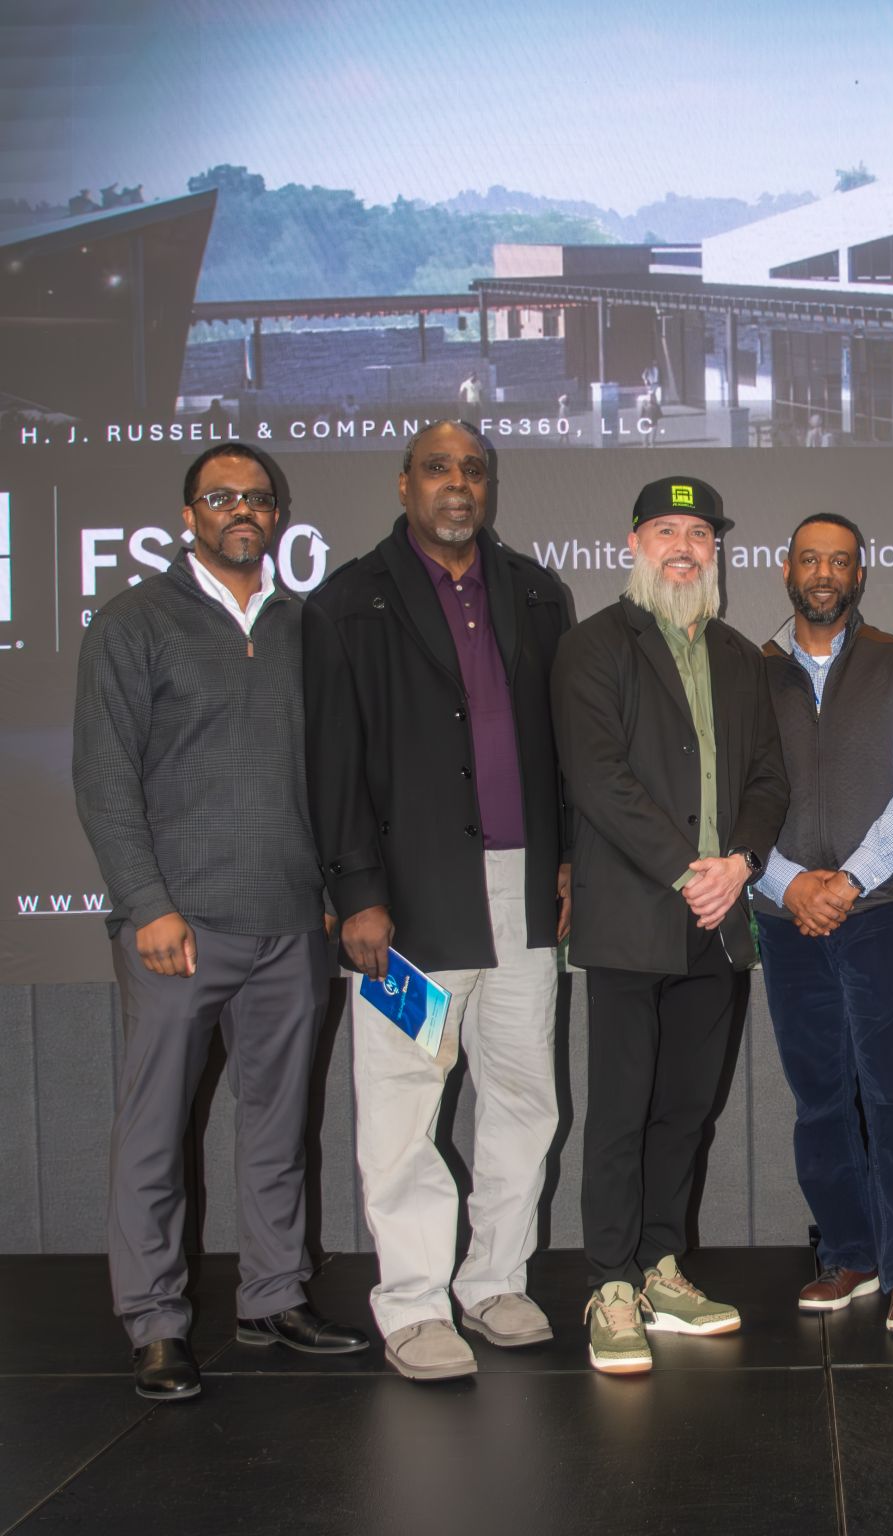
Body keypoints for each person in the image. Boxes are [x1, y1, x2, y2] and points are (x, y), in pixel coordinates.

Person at [73, 443, 369, 1401]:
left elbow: (330, 773)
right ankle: (155, 1323)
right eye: (221, 497)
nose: (242, 510)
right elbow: (105, 777)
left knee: (279, 1127)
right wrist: (146, 904)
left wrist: (329, 889)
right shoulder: (134, 621)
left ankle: (274, 1295)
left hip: (292, 924)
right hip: (178, 927)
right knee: (156, 1130)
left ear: (277, 515)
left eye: (257, 498)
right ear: (188, 513)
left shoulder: (301, 625)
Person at [302, 420, 573, 1381]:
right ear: (404, 482)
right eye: (437, 469)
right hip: (408, 906)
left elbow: (562, 749)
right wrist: (356, 894)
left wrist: (567, 857)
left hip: (522, 895)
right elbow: (331, 766)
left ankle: (494, 1281)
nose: (457, 485)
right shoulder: (349, 602)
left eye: (472, 470)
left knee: (524, 1097)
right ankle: (413, 1304)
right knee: (404, 1107)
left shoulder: (540, 594)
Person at [551, 475, 788, 1374]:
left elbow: (766, 778)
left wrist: (741, 863)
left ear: (717, 550)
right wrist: (691, 869)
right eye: (665, 530)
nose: (683, 546)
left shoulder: (736, 653)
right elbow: (598, 775)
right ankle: (609, 1286)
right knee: (620, 1109)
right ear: (632, 543)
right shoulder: (592, 647)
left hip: (719, 918)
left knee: (686, 1109)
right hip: (633, 917)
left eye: (699, 532)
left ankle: (658, 1268)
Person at [753, 512, 893, 1333]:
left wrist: (851, 881)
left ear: (860, 575)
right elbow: (728, 795)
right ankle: (847, 1256)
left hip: (879, 913)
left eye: (840, 562)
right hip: (783, 913)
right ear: (786, 570)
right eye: (810, 560)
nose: (824, 573)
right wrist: (792, 884)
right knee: (819, 1098)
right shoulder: (748, 672)